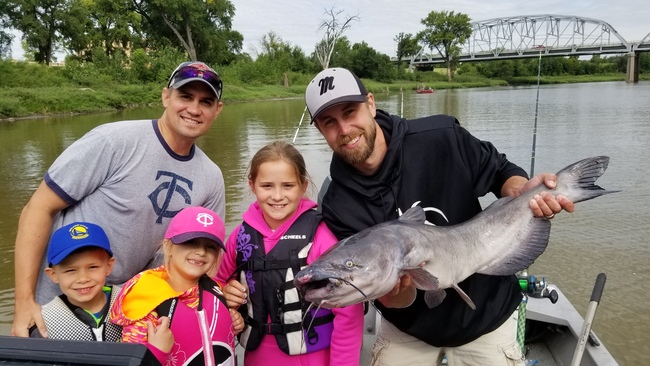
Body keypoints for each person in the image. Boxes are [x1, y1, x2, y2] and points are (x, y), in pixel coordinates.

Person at [304, 67, 576, 366]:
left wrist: (524, 191)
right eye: (330, 122)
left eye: (350, 112)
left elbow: (501, 172)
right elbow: (395, 299)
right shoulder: (337, 203)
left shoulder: (441, 137)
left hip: (488, 316)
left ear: (370, 103)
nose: (344, 129)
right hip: (407, 330)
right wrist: (397, 289)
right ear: (319, 130)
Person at [12, 61, 226, 338]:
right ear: (165, 96)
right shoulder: (113, 142)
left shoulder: (211, 177)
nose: (194, 109)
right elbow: (38, 208)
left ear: (217, 110)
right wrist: (23, 302)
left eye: (205, 102)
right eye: (185, 96)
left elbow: (207, 257)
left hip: (131, 312)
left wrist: (223, 304)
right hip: (58, 306)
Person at [216, 141, 364, 365]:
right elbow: (217, 282)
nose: (277, 196)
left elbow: (348, 314)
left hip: (314, 357)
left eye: (288, 186)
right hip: (257, 356)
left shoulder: (322, 238)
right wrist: (226, 295)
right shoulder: (239, 237)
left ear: (303, 187)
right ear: (252, 185)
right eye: (267, 186)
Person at [111, 206, 242, 365]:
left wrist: (232, 323)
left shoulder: (215, 290)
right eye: (191, 242)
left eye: (210, 246)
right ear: (168, 247)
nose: (201, 252)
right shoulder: (146, 301)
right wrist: (157, 351)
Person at [29, 221, 122, 341]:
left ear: (109, 266)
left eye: (92, 267)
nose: (83, 279)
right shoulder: (44, 321)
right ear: (53, 275)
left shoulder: (130, 303)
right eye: (70, 270)